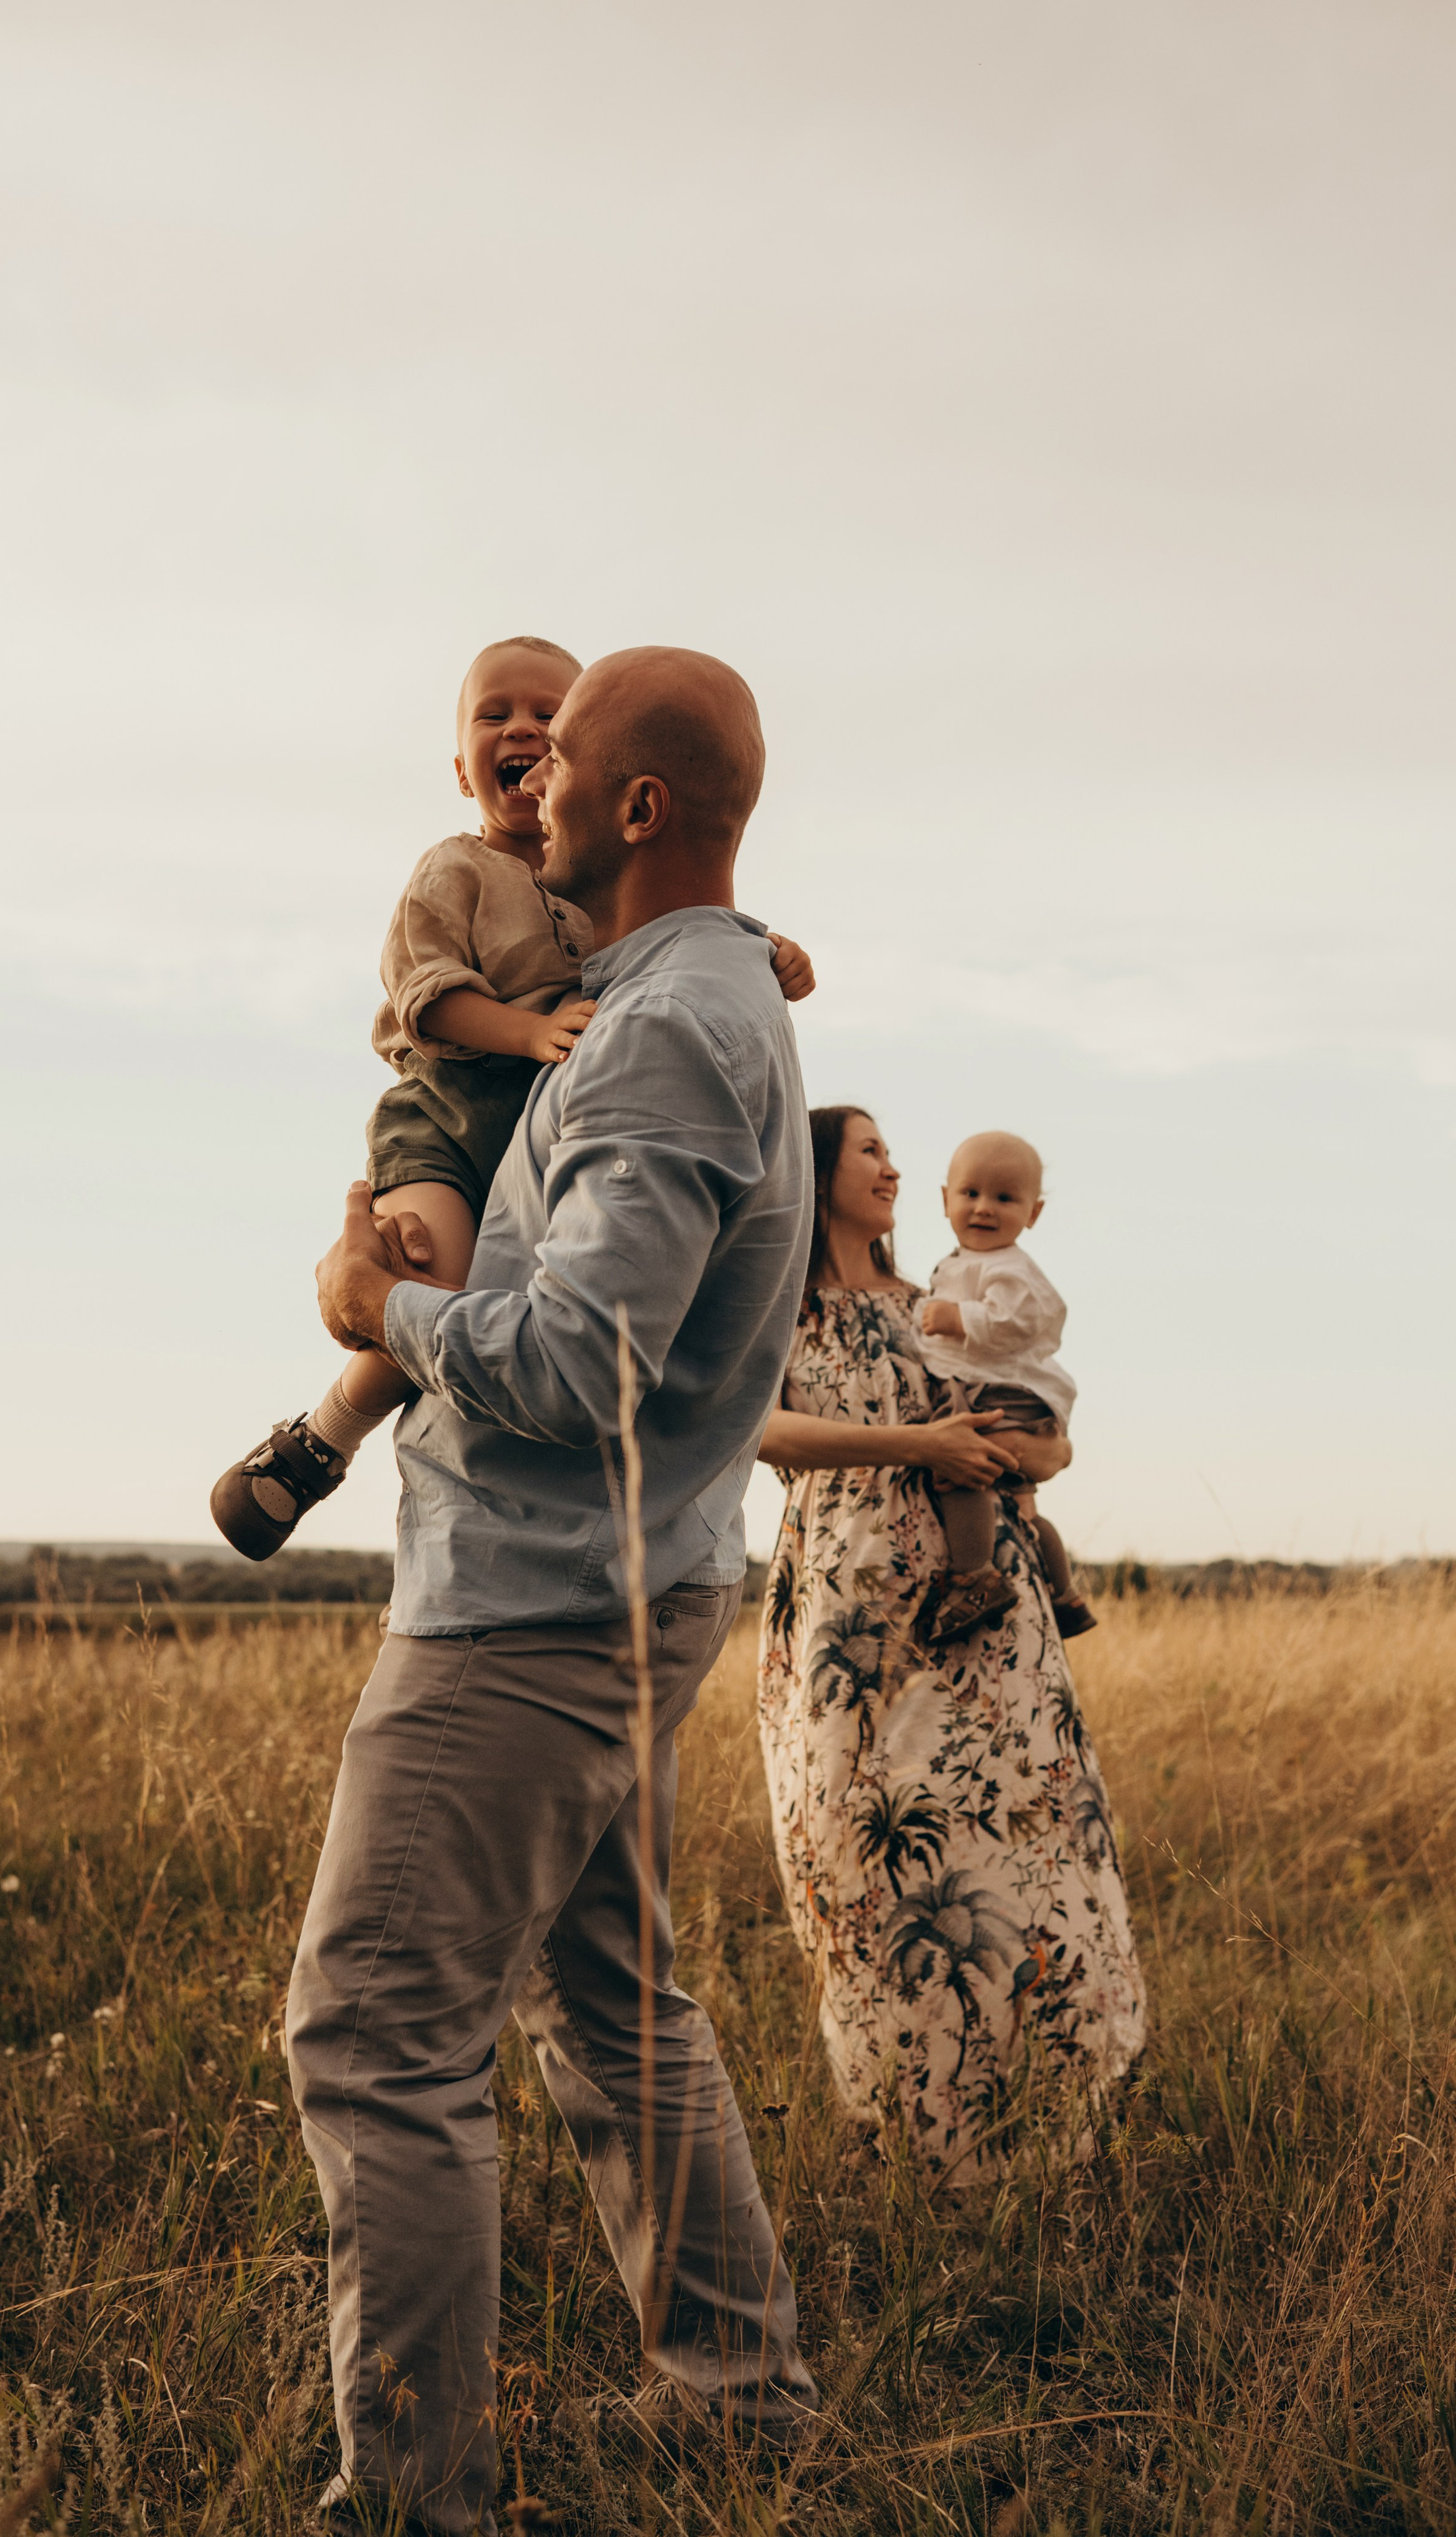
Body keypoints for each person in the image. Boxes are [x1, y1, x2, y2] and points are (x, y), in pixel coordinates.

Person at [291, 647, 819, 2534]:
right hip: (616, 1583)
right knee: (622, 2002)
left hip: (532, 1610)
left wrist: (384, 1315)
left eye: (568, 757)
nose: (536, 787)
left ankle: (416, 2504)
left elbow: (582, 1361)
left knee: (375, 2035)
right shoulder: (668, 999)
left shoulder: (673, 1026)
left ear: (643, 805)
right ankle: (750, 2420)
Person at [209, 633, 813, 1561]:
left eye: (551, 721)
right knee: (432, 1281)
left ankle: (350, 1447)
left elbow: (667, 931)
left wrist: (765, 949)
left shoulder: (597, 895)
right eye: (497, 715)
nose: (526, 732)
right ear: (463, 770)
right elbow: (427, 997)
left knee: (491, 1303)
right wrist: (528, 1032)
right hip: (450, 1113)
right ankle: (322, 1440)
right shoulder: (455, 872)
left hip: (546, 1115)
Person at [756, 1107, 1145, 2182]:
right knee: (864, 1858)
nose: (892, 1165)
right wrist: (913, 1443)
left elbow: (1040, 1431)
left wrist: (1041, 1450)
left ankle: (1037, 2136)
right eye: (870, 1149)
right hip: (848, 1608)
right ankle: (904, 2124)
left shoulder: (949, 1297)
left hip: (984, 1613)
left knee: (1014, 1842)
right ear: (812, 1169)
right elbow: (757, 1432)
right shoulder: (770, 1303)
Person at [915, 1128, 1096, 1646]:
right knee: (1023, 1508)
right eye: (970, 1194)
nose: (984, 1209)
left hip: (1004, 1392)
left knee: (964, 1468)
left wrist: (958, 1316)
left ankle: (974, 1577)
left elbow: (1017, 1323)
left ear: (1032, 1214)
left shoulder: (1010, 1269)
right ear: (944, 1199)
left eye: (1004, 1198)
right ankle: (1065, 1597)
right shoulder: (961, 1262)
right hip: (996, 1387)